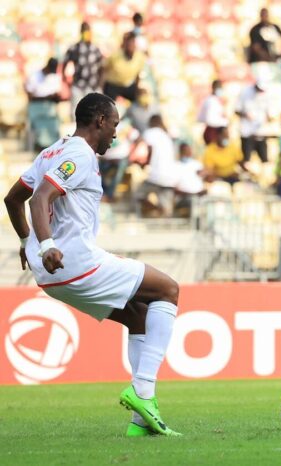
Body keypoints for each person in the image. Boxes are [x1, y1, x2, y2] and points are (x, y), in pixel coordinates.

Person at [3, 93, 181, 437]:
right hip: (72, 261)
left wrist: (28, 241)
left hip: (51, 275)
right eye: (114, 124)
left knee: (138, 316)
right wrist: (47, 245)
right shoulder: (80, 154)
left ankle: (141, 421)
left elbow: (13, 199)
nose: (115, 133)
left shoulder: (50, 152)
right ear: (99, 121)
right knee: (168, 289)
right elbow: (40, 198)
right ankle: (143, 392)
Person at [138, 115, 179, 217]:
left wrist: (144, 164)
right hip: (170, 177)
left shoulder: (151, 132)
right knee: (167, 210)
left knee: (138, 196)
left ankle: (156, 209)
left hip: (156, 175)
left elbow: (147, 149)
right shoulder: (166, 135)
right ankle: (161, 212)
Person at [63, 22, 103, 118]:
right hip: (78, 85)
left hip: (92, 86)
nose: (86, 33)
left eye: (88, 30)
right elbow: (65, 63)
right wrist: (65, 79)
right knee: (76, 113)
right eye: (84, 30)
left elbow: (102, 67)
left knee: (94, 114)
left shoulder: (95, 49)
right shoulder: (74, 48)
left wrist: (100, 84)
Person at [25, 58, 62, 151]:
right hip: (36, 106)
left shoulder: (55, 77)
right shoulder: (35, 76)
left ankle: (52, 149)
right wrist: (46, 97)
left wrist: (55, 97)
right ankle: (38, 146)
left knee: (54, 123)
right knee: (38, 126)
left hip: (50, 106)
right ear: (47, 67)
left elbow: (57, 96)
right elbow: (30, 96)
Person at [235, 77, 272, 164]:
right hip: (247, 132)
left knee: (264, 160)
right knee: (247, 160)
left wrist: (269, 118)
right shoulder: (245, 92)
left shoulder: (267, 94)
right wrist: (245, 115)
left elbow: (269, 113)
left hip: (260, 131)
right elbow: (236, 110)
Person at [102, 32, 146, 102]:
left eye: (132, 43)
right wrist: (101, 85)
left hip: (128, 85)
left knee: (140, 98)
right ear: (124, 44)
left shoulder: (140, 57)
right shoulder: (115, 56)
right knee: (108, 104)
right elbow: (103, 69)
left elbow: (138, 75)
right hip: (113, 85)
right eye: (128, 43)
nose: (130, 46)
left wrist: (137, 89)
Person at [175, 142, 206, 216]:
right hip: (184, 198)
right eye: (186, 151)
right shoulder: (175, 166)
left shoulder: (196, 164)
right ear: (181, 151)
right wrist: (192, 194)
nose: (188, 152)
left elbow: (207, 177)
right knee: (193, 202)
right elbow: (174, 189)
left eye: (189, 150)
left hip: (199, 196)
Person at [198, 80, 229, 145]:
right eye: (218, 87)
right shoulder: (209, 101)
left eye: (220, 87)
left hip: (220, 131)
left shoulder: (219, 100)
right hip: (213, 131)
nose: (219, 89)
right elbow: (208, 119)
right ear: (213, 88)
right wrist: (223, 121)